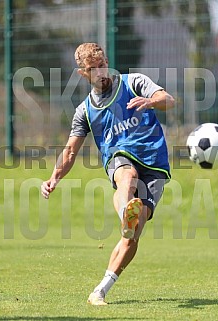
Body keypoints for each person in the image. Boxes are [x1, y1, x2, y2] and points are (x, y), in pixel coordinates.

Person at [41, 42, 174, 305]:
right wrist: (54, 177)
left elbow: (168, 100)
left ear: (107, 61)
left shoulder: (133, 82)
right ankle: (126, 211)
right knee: (127, 176)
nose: (101, 72)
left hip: (155, 161)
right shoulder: (85, 111)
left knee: (134, 234)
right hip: (120, 157)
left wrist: (150, 101)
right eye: (93, 69)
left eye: (103, 65)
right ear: (83, 74)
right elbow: (69, 152)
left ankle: (100, 289)